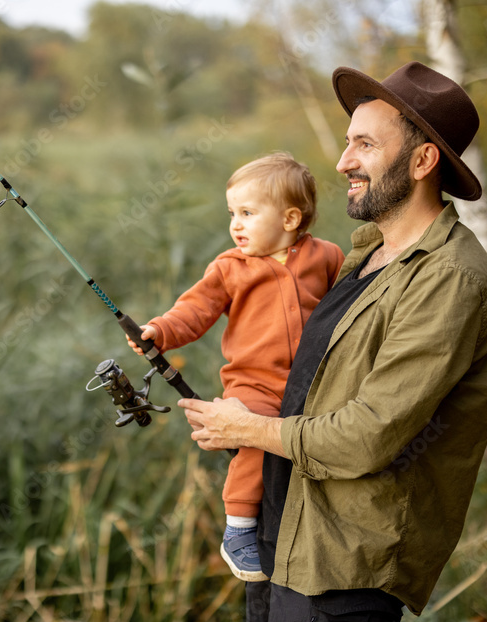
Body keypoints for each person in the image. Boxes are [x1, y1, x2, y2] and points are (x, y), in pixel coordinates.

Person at [178, 61, 487, 622]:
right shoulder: (362, 258)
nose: (343, 162)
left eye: (364, 144)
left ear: (422, 161)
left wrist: (248, 429)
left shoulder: (450, 279)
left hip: (344, 564)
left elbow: (367, 435)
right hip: (288, 534)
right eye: (347, 142)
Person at [128, 153, 345, 581]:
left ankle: (320, 531)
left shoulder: (327, 257)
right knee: (250, 434)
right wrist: (159, 331)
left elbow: (349, 305)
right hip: (254, 383)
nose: (236, 225)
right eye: (232, 214)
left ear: (289, 219)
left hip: (314, 382)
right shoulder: (231, 267)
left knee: (317, 446)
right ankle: (239, 528)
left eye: (247, 213)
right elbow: (195, 309)